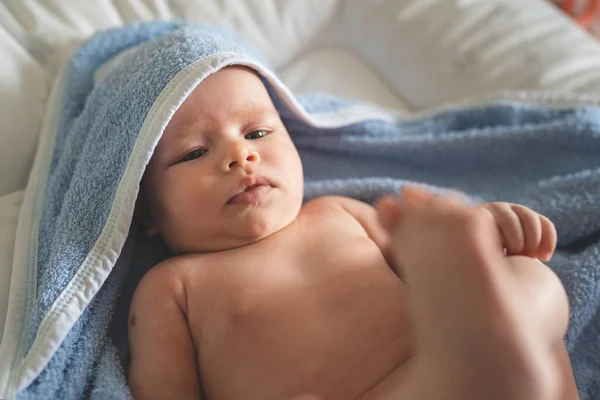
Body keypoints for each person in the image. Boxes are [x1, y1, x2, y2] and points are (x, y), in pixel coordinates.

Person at [127, 65, 579, 400]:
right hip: (436, 380)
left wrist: (482, 236)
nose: (240, 155)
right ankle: (492, 370)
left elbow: (436, 278)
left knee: (530, 277)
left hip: (453, 362)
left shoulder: (338, 212)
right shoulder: (173, 287)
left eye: (259, 132)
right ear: (145, 210)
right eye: (193, 152)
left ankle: (492, 364)